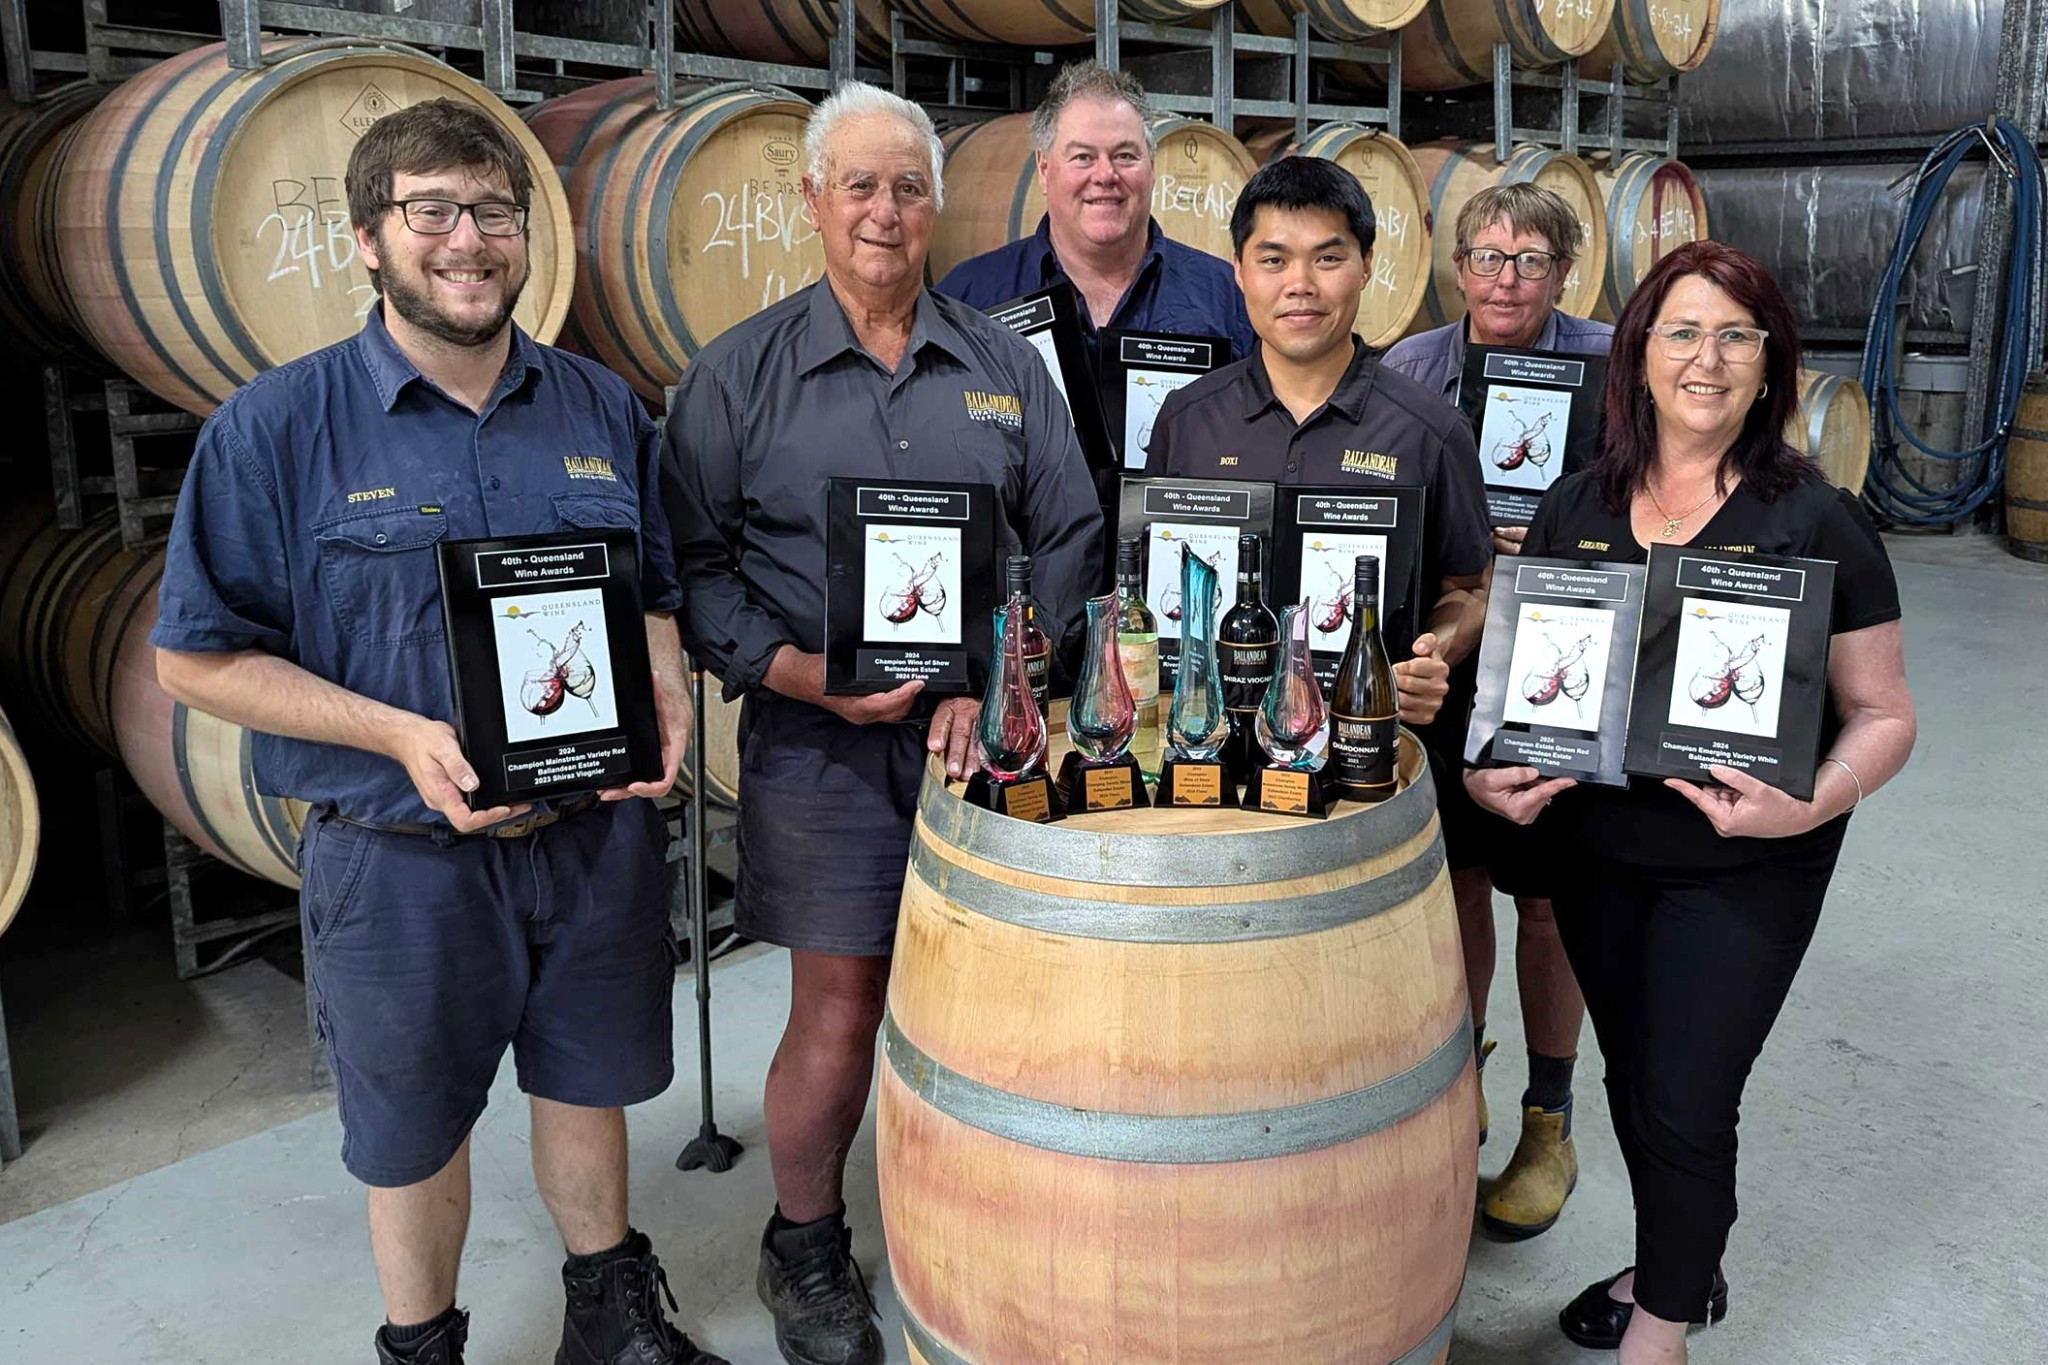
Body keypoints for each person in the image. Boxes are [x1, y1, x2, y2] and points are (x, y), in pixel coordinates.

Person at [150, 101, 721, 1365]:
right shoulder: (274, 429)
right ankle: (422, 1347)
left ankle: (610, 1322)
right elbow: (194, 660)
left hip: (586, 833)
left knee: (588, 1086)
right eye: (432, 213)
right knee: (412, 1133)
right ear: (370, 237)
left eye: (493, 212)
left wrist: (665, 687)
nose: (467, 240)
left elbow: (659, 597)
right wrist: (394, 731)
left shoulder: (601, 407)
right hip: (398, 857)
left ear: (525, 233)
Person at [660, 82, 1102, 1365]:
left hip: (986, 735)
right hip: (818, 740)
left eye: (906, 185)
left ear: (934, 205)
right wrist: (792, 671)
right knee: (840, 1004)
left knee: (1003, 996)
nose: (883, 209)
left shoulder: (1003, 365)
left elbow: (1066, 535)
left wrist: (998, 669)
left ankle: (979, 1212)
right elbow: (689, 568)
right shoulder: (736, 376)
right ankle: (805, 1244)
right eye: (856, 184)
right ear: (811, 201)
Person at [1467, 241, 1916, 1365]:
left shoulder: (1818, 521)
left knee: (1685, 1091)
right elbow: (1522, 689)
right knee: (1636, 1073)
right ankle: (1683, 1258)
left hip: (1745, 861)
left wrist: (1810, 803)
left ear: (1767, 366)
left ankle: (1657, 1330)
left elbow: (1884, 714)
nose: (1703, 358)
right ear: (1637, 356)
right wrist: (1489, 768)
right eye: (1679, 332)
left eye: (1732, 335)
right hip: (1594, 849)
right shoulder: (1578, 501)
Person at [1382, 183, 1615, 1240]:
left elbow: (1658, 502)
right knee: (1461, 877)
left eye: (1528, 260)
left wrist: (1572, 537)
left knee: (1549, 895)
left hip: (1566, 645)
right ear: (1454, 267)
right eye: (1484, 256)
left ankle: (1548, 1116)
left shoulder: (1614, 367)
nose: (1504, 279)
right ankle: (1462, 1081)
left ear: (1565, 271)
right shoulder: (1408, 368)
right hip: (1455, 647)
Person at [1141, 155, 1490, 729]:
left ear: (1367, 265)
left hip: (1364, 739)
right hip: (1211, 744)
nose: (1300, 285)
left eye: (1328, 259)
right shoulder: (1186, 418)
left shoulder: (1431, 430)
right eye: (1273, 260)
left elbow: (1469, 588)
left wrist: (1434, 655)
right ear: (1239, 270)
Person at [935, 61, 1257, 367]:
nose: (1105, 175)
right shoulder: (969, 297)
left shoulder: (1229, 298)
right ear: (1044, 170)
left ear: (1152, 169)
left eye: (1125, 155)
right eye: (1083, 157)